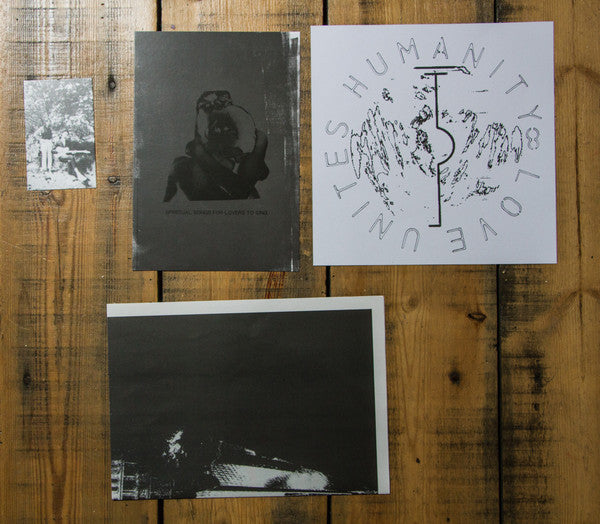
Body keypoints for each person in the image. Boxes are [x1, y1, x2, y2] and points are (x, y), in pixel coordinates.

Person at [163, 91, 269, 201]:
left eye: (220, 105)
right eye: (207, 107)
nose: (221, 129)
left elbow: (242, 189)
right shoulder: (183, 165)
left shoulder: (255, 141)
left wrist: (201, 154)